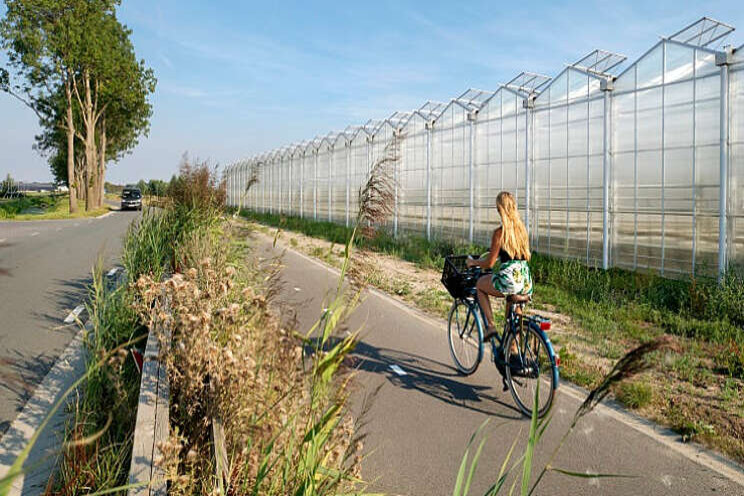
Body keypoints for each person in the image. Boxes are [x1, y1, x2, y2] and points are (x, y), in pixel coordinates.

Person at [466, 191, 533, 342]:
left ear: (500, 209)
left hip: (509, 280)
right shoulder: (522, 231)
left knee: (480, 285)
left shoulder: (499, 233)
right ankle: (513, 351)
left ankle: (490, 326)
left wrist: (474, 262)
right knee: (512, 320)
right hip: (524, 280)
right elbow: (515, 256)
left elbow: (489, 263)